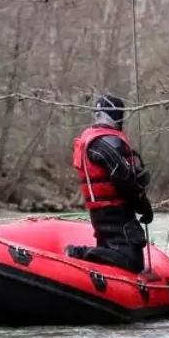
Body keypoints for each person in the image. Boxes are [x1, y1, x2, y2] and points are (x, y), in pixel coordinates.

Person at [65, 93, 154, 274]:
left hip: (99, 212)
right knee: (133, 262)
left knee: (111, 255)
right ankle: (79, 253)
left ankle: (87, 261)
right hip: (116, 213)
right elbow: (125, 182)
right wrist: (144, 206)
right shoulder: (109, 141)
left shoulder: (91, 139)